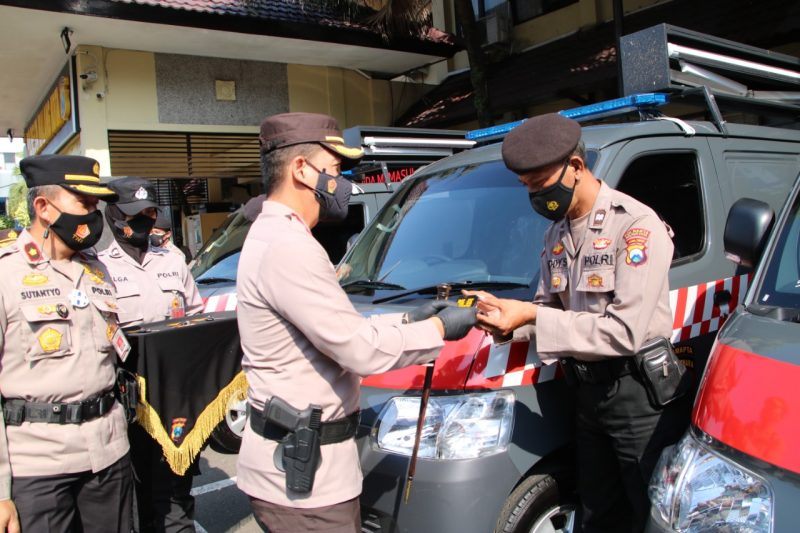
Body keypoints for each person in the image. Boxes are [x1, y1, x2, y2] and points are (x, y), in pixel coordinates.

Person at [236, 112, 477, 533]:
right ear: (300, 169)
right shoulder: (289, 245)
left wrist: (408, 317)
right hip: (306, 483)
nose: (341, 184)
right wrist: (440, 329)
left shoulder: (272, 234)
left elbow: (334, 326)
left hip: (300, 464)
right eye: (333, 171)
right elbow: (358, 349)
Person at [464, 114, 687, 533]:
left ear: (577, 167)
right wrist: (507, 320)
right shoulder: (556, 235)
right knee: (599, 513)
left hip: (637, 393)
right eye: (526, 186)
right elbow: (548, 309)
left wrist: (532, 315)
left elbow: (624, 332)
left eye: (540, 183)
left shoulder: (635, 227)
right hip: (587, 394)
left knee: (652, 513)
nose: (534, 195)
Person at [0, 154, 133, 532]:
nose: (94, 215)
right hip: (38, 467)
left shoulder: (97, 270)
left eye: (95, 206)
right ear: (44, 207)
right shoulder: (6, 274)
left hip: (109, 454)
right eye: (84, 203)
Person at [98, 177, 203, 533]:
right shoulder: (99, 267)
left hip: (174, 396)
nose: (144, 220)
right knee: (137, 496)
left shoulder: (173, 259)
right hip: (127, 402)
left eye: (150, 213)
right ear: (114, 215)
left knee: (176, 492)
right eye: (134, 214)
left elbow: (195, 317)